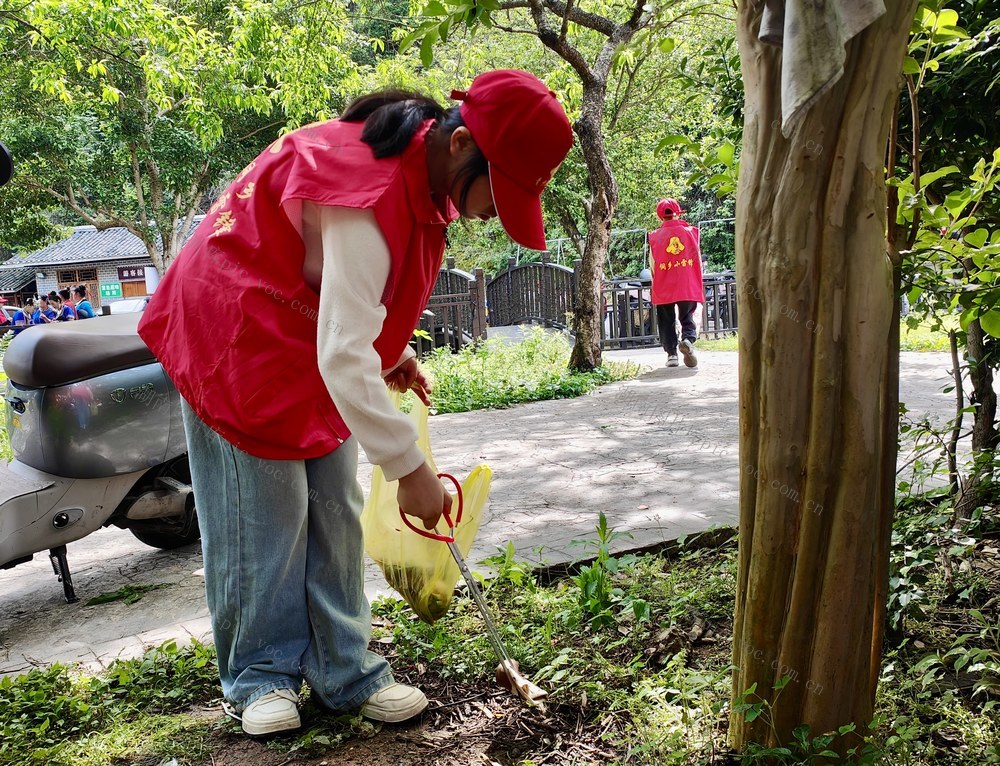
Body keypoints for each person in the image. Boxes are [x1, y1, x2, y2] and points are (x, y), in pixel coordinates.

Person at [137, 70, 573, 737]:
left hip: (300, 335)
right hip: (233, 333)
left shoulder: (424, 176)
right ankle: (259, 677)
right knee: (264, 519)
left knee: (334, 508)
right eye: (499, 191)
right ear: (461, 145)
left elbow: (349, 296)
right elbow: (343, 351)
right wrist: (409, 467)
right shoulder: (364, 187)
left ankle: (344, 668)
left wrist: (391, 355)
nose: (493, 213)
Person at [648, 198, 703, 368]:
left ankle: (672, 354)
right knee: (687, 314)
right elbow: (698, 260)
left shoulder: (654, 236)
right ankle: (688, 339)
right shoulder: (691, 233)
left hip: (664, 284)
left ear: (660, 216)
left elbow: (653, 264)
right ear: (677, 213)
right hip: (687, 283)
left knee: (666, 319)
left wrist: (656, 283)